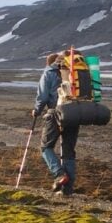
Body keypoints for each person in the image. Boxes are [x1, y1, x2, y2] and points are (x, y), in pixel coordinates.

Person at [32, 52, 79, 196]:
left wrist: (37, 110)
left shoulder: (49, 72)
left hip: (55, 113)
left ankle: (59, 175)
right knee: (68, 151)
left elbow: (43, 95)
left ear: (49, 63)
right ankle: (68, 189)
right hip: (75, 113)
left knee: (46, 147)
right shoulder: (73, 72)